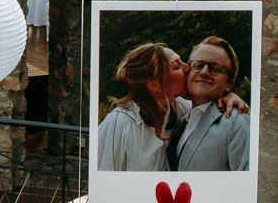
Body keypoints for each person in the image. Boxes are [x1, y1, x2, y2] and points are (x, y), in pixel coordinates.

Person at [96, 42, 190, 172]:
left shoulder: (185, 110)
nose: (187, 68)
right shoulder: (119, 123)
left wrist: (226, 97)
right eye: (176, 66)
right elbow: (104, 181)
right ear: (154, 86)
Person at [171, 36, 251, 172]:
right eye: (198, 65)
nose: (204, 73)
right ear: (188, 71)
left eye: (215, 68)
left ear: (229, 84)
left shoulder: (237, 122)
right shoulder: (178, 118)